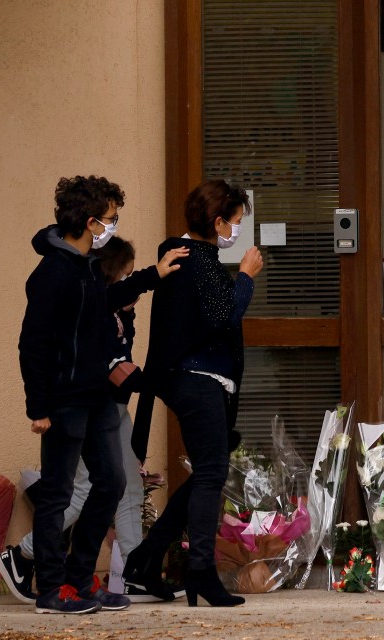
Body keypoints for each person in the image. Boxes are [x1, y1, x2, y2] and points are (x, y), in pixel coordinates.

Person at [18, 176, 187, 614]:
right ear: (91, 221)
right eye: (111, 219)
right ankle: (51, 591)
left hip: (96, 399)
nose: (114, 226)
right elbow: (32, 343)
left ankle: (80, 580)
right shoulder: (51, 273)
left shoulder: (89, 266)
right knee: (57, 494)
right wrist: (37, 406)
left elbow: (108, 299)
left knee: (110, 482)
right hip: (64, 401)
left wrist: (153, 275)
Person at [127, 179, 264, 607]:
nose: (237, 231)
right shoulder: (193, 259)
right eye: (236, 223)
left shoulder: (196, 256)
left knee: (209, 471)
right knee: (210, 474)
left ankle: (147, 559)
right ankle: (200, 571)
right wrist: (244, 277)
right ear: (217, 221)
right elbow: (224, 315)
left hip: (202, 380)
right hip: (196, 379)